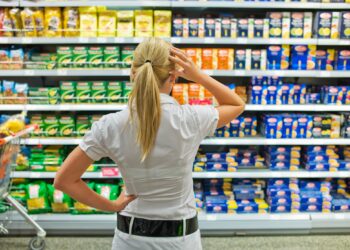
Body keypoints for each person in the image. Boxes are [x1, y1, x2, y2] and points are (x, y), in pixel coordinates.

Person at [54, 37, 245, 250]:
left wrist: (111, 206)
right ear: (173, 77)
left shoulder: (109, 125)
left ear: (132, 73)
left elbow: (64, 180)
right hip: (180, 240)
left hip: (130, 238)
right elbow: (235, 103)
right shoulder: (190, 119)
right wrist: (197, 75)